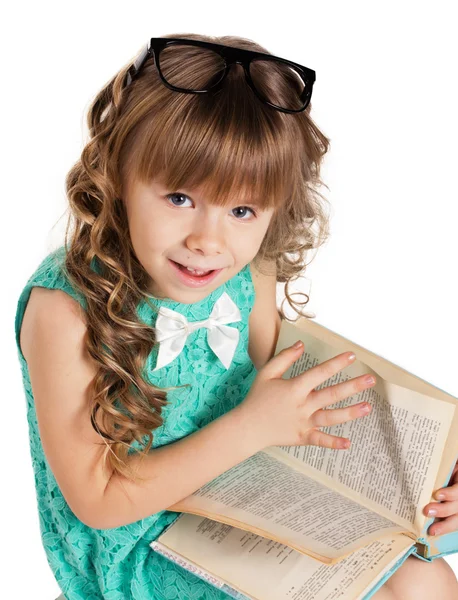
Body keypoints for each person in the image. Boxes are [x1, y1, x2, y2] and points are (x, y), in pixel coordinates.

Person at [14, 32, 458, 600]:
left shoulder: (251, 269)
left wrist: (428, 484)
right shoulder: (66, 310)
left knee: (426, 580)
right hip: (141, 545)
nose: (207, 241)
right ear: (119, 174)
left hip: (242, 502)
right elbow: (98, 500)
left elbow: (283, 394)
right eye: (179, 198)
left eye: (242, 210)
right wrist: (251, 427)